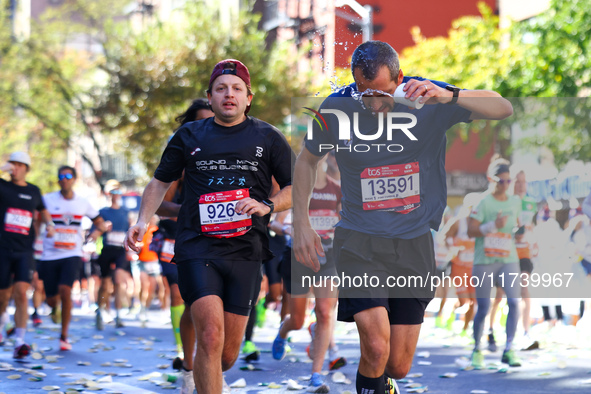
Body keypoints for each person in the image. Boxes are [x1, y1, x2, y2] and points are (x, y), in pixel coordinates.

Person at [293, 41, 513, 394]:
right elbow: (307, 160)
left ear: (399, 78)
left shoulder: (429, 98)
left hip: (413, 242)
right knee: (376, 346)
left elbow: (502, 108)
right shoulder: (337, 108)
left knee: (397, 363)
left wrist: (450, 95)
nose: (373, 103)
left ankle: (384, 384)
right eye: (364, 94)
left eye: (381, 93)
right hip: (358, 240)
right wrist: (301, 223)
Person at [126, 59, 293, 394]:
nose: (228, 94)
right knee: (211, 336)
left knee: (227, 354)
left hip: (246, 251)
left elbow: (296, 187)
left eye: (236, 89)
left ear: (248, 98)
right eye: (221, 88)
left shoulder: (268, 137)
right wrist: (143, 219)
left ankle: (212, 379)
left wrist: (267, 205)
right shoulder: (189, 135)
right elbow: (159, 183)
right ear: (210, 96)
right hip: (197, 247)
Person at [272, 156, 345, 392]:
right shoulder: (297, 188)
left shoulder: (337, 190)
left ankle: (316, 374)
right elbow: (275, 222)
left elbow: (346, 219)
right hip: (299, 257)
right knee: (298, 320)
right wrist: (291, 230)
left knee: (325, 313)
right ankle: (284, 331)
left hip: (328, 257)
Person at [38, 165, 110, 350]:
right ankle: (54, 307)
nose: (64, 178)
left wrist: (95, 234)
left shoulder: (82, 202)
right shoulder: (47, 199)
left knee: (66, 290)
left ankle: (64, 335)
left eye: (68, 175)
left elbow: (100, 223)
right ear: (58, 180)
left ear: (74, 179)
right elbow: (37, 219)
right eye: (61, 176)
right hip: (49, 255)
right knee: (51, 298)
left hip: (72, 253)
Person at [468, 158, 523, 368]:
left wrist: (520, 233)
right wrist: (492, 225)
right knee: (483, 307)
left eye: (509, 181)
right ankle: (477, 350)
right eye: (502, 181)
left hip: (508, 259)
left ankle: (509, 348)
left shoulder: (515, 202)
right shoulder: (483, 202)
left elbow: (515, 228)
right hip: (485, 261)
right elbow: (471, 230)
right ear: (492, 179)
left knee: (515, 302)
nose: (506, 185)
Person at [0, 152, 55, 358]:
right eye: (12, 164)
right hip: (3, 249)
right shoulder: (2, 186)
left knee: (21, 293)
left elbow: (43, 209)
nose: (15, 168)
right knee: (3, 296)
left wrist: (50, 225)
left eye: (19, 164)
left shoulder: (33, 191)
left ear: (27, 168)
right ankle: (2, 324)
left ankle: (19, 342)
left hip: (25, 250)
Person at [94, 179, 133, 329]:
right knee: (105, 284)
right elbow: (95, 231)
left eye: (118, 191)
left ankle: (118, 315)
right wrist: (102, 229)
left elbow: (130, 230)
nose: (115, 195)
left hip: (120, 251)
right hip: (107, 249)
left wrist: (131, 248)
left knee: (118, 280)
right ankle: (100, 311)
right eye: (112, 192)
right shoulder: (103, 212)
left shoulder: (125, 212)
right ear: (107, 194)